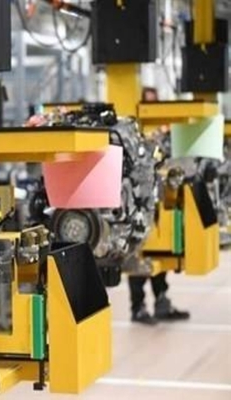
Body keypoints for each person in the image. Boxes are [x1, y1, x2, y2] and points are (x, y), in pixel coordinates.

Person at [127, 86, 190, 325]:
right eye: (148, 103)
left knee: (159, 253)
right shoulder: (136, 134)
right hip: (138, 203)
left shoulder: (164, 132)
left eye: (155, 103)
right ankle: (138, 307)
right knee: (138, 256)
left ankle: (162, 302)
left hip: (158, 203)